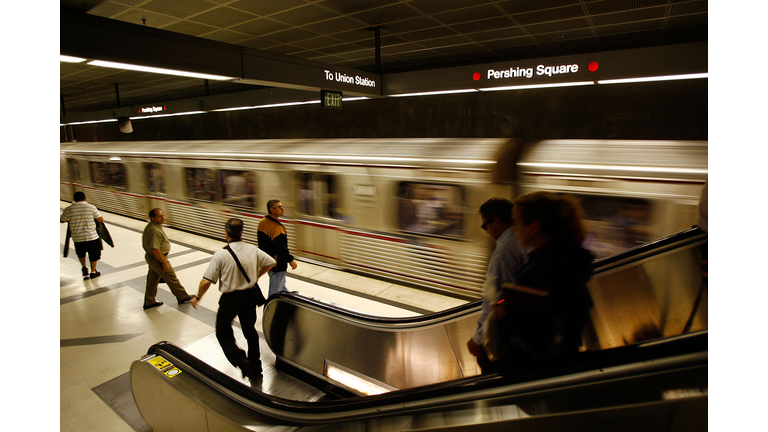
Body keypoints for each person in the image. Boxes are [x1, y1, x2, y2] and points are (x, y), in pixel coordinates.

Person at [494, 192, 594, 374]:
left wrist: (504, 317)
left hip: (537, 375)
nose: (513, 229)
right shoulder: (568, 261)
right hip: (565, 365)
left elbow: (534, 338)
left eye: (516, 222)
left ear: (533, 227)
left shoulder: (538, 273)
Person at [192, 218, 275, 380]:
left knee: (223, 331)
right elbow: (271, 262)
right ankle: (256, 366)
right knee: (250, 332)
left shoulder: (221, 254)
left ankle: (242, 362)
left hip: (230, 299)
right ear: (241, 232)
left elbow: (206, 281)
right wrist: (256, 276)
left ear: (226, 234)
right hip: (249, 297)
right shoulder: (252, 249)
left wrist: (198, 297)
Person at [466, 198, 527, 374]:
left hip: (513, 334)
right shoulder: (521, 241)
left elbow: (495, 298)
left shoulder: (503, 252)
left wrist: (477, 338)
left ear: (497, 222)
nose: (487, 232)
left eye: (485, 226)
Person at [141, 208, 196, 310]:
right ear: (153, 218)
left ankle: (149, 301)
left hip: (153, 258)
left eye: (163, 215)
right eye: (159, 216)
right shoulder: (154, 230)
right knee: (171, 278)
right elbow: (155, 249)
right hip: (157, 258)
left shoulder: (154, 226)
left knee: (152, 281)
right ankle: (182, 296)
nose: (163, 218)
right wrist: (164, 262)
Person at [257, 199, 298, 297]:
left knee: (281, 287)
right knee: (274, 294)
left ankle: (291, 302)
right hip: (277, 264)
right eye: (280, 207)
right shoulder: (277, 228)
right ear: (272, 210)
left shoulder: (263, 222)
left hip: (268, 261)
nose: (282, 209)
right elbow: (281, 248)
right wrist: (291, 260)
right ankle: (270, 310)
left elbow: (262, 244)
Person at [60, 191, 105, 280]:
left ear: (74, 199)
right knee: (94, 254)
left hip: (77, 238)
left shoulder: (68, 209)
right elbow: (100, 219)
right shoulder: (91, 207)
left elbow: (61, 220)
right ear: (85, 198)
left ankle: (84, 267)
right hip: (91, 236)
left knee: (81, 254)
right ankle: (93, 272)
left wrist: (69, 219)